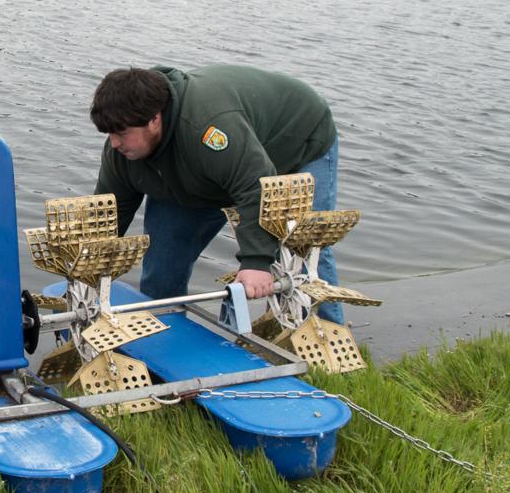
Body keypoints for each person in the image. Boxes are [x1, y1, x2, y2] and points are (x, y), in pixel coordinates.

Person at [90, 64, 346, 325]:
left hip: (296, 141)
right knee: (162, 265)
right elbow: (109, 215)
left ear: (154, 119)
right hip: (206, 174)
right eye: (109, 133)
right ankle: (163, 339)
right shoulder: (121, 152)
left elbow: (257, 186)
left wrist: (256, 262)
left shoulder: (208, 129)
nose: (114, 143)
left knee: (303, 245)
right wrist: (89, 272)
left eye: (121, 133)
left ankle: (330, 342)